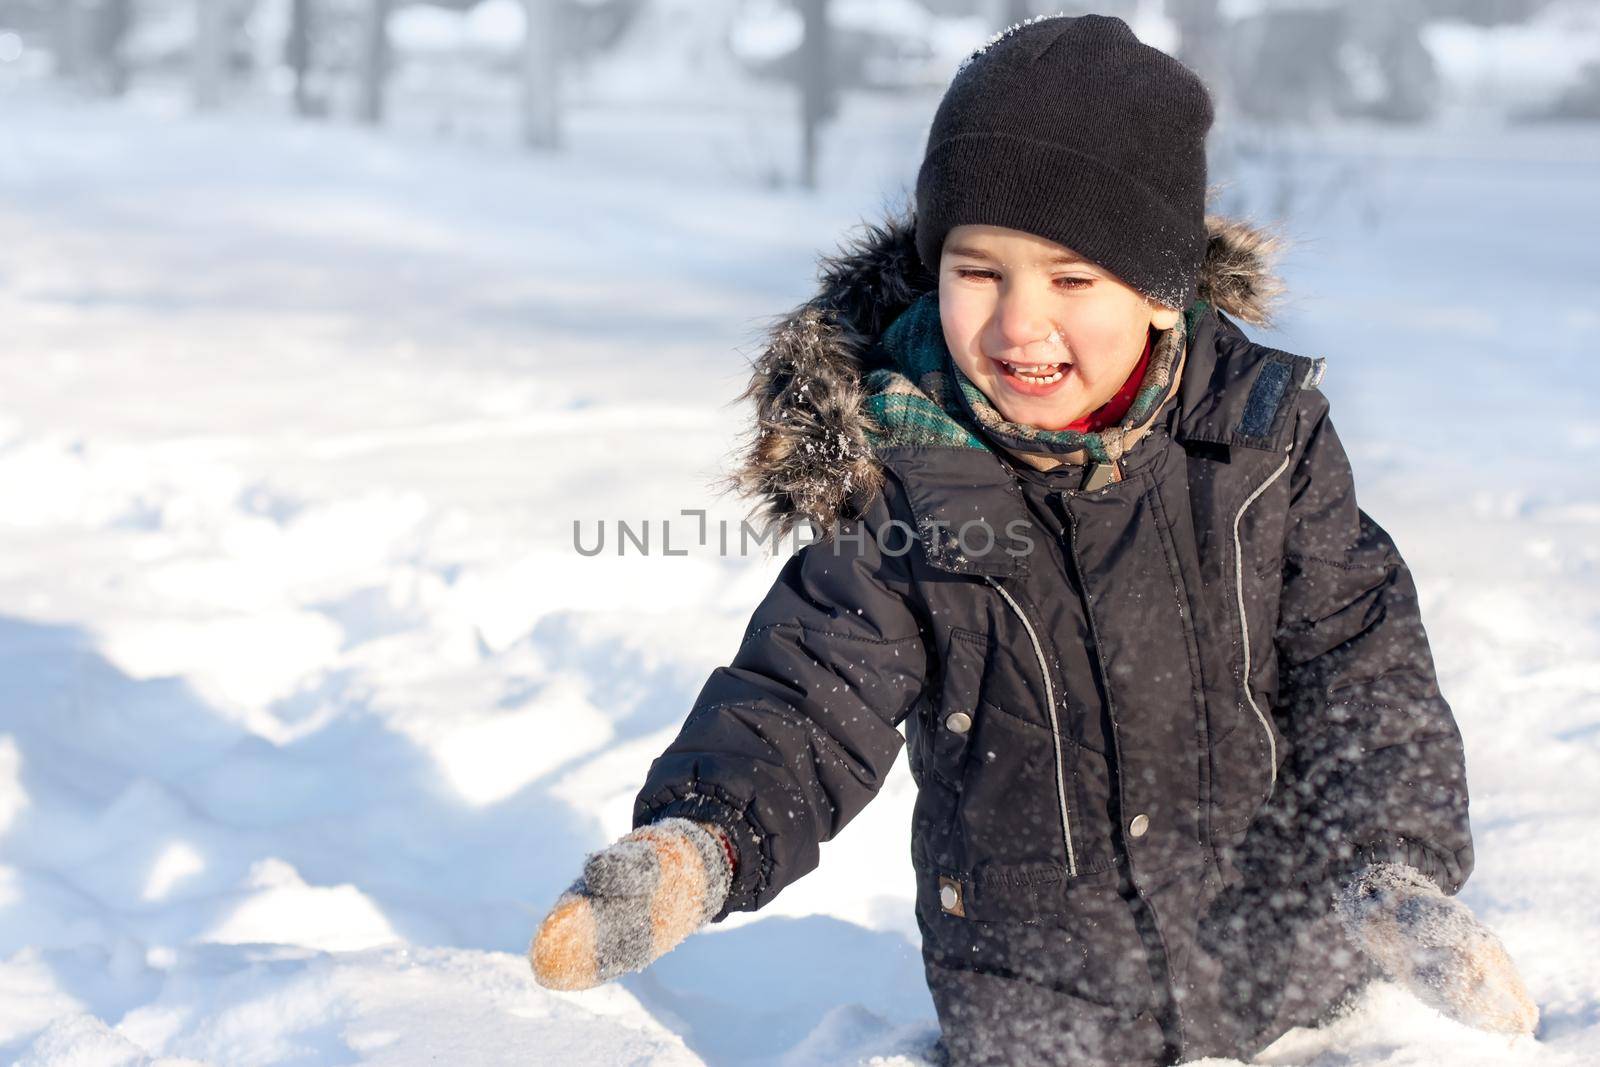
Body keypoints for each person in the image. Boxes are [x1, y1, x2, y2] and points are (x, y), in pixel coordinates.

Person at [529, 14, 1537, 1065]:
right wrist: (703, 838)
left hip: (1290, 987)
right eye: (979, 272)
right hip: (1034, 1000)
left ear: (1156, 294)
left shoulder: (1257, 443)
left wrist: (1387, 866)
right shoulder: (905, 475)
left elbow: (1360, 658)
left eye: (1069, 279)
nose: (1017, 324)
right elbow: (809, 684)